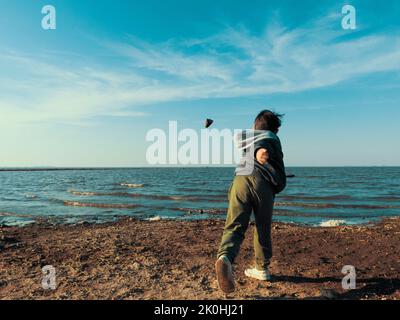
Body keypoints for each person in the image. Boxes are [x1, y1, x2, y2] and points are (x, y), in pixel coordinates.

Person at [215, 110, 286, 293]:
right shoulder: (269, 138)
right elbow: (263, 147)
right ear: (275, 129)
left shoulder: (248, 138)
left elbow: (256, 146)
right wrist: (259, 153)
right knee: (262, 226)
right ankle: (262, 268)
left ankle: (225, 258)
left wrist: (256, 152)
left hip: (240, 181)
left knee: (234, 226)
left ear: (255, 127)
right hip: (262, 184)